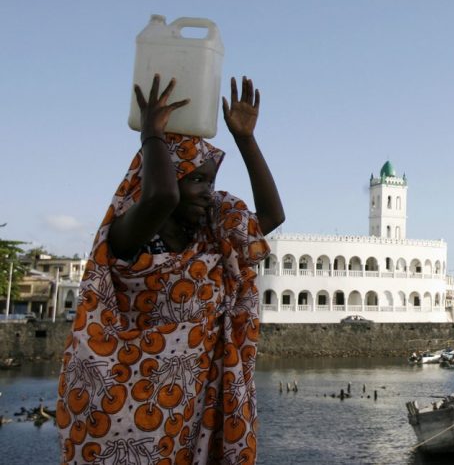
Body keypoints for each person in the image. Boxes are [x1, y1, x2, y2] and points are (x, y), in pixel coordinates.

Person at [57, 75, 285, 465]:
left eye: (210, 181)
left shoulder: (213, 239)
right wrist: (151, 135)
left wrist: (246, 140)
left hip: (192, 409)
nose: (207, 192)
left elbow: (271, 216)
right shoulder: (130, 237)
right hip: (125, 411)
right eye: (195, 179)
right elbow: (161, 196)